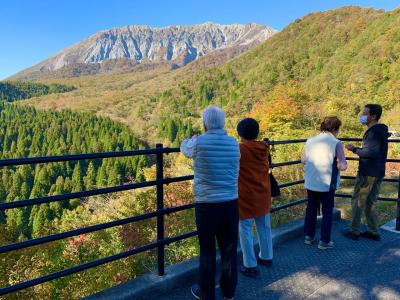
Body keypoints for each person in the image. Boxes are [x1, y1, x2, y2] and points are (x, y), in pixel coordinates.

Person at [180, 106, 240, 300]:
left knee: (207, 250)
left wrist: (193, 138)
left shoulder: (199, 143)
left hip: (206, 204)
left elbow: (185, 148)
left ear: (205, 123)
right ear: (222, 122)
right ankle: (229, 291)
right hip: (230, 203)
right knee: (229, 249)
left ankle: (207, 294)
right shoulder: (233, 143)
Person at [343, 104, 388, 241]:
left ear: (373, 116)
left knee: (359, 201)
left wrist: (354, 149)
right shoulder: (380, 130)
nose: (362, 115)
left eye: (365, 113)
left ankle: (354, 230)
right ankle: (373, 231)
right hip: (378, 172)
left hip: (368, 173)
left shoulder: (373, 132)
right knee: (370, 202)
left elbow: (371, 152)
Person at [302, 116, 347, 250]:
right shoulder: (336, 142)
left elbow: (303, 159)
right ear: (334, 129)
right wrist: (345, 163)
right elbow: (341, 165)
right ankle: (324, 241)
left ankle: (308, 237)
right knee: (327, 211)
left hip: (311, 181)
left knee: (311, 209)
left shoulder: (310, 140)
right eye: (337, 129)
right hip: (327, 184)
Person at [236, 118, 274, 278]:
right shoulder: (264, 147)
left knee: (245, 229)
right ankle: (266, 257)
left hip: (245, 194)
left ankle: (250, 265)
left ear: (240, 133)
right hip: (263, 192)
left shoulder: (239, 149)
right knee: (264, 226)